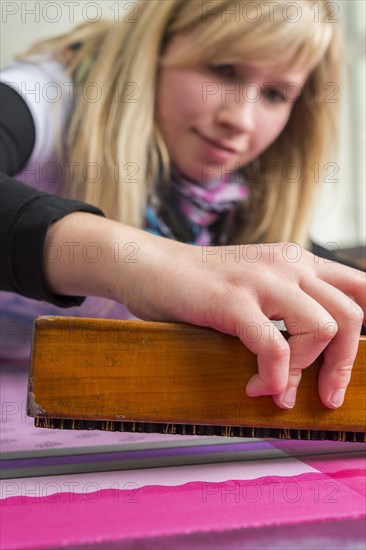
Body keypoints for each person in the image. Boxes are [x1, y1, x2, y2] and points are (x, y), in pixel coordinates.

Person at [1, 0, 365, 412]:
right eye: (223, 69)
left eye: (275, 94)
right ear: (157, 45)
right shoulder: (43, 97)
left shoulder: (221, 195)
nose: (241, 120)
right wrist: (153, 264)